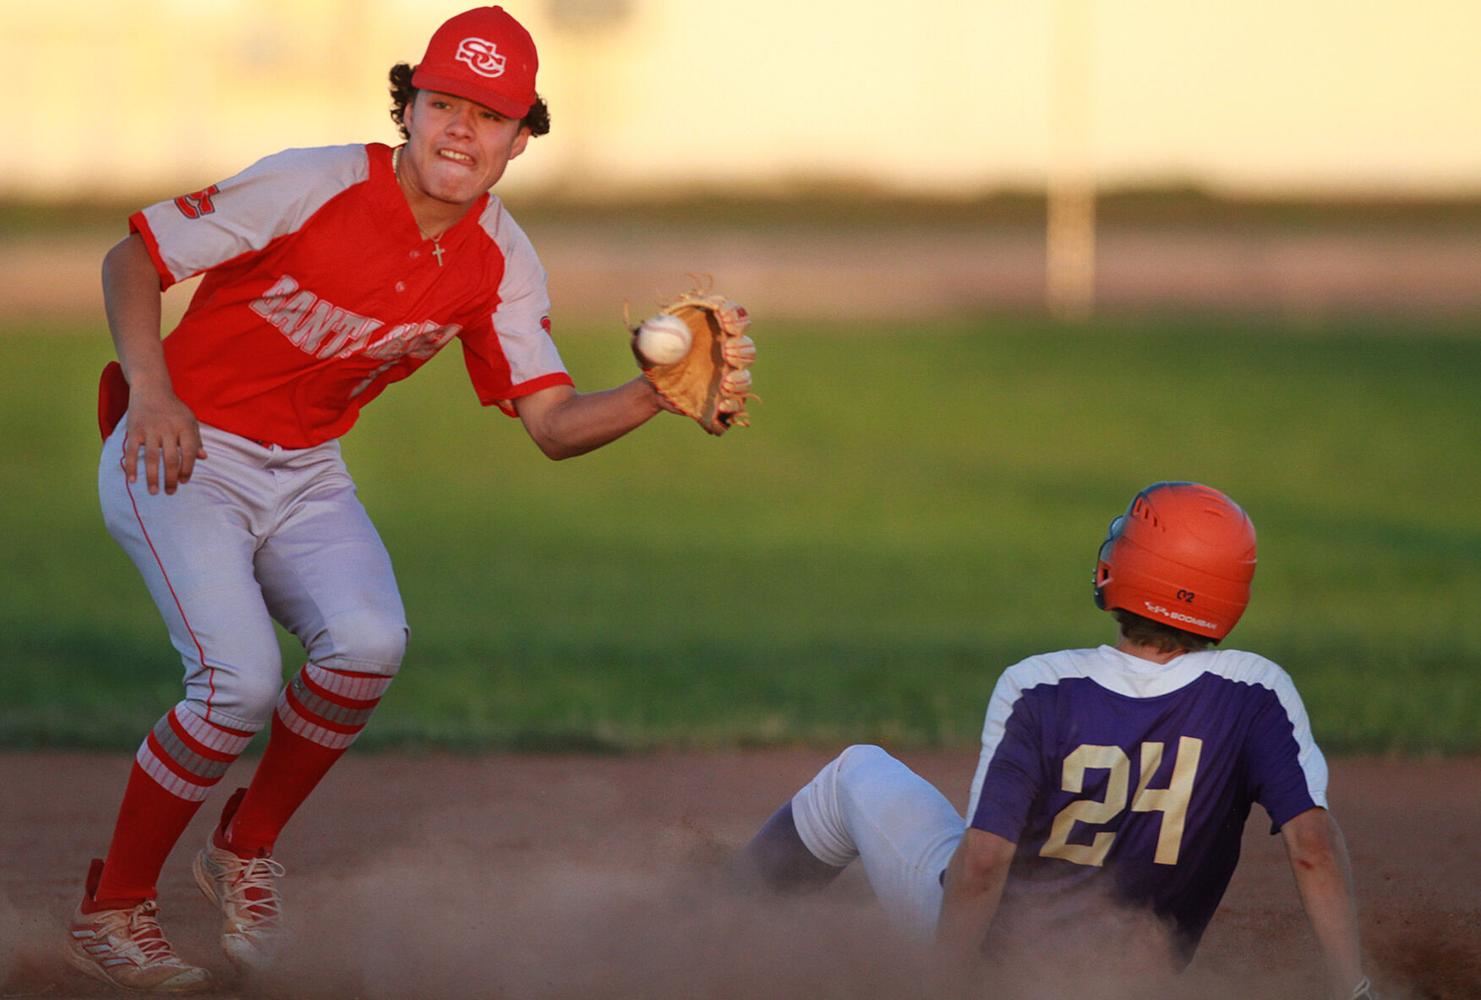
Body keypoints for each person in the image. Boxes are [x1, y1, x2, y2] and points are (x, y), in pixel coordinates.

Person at [64, 6, 754, 993]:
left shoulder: (500, 260)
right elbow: (132, 257)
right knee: (238, 681)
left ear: (521, 139)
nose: (460, 131)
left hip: (304, 470)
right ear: (408, 107)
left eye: (488, 115)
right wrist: (152, 389)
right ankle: (112, 908)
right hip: (181, 449)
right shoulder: (311, 182)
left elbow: (551, 425)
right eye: (443, 104)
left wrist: (653, 395)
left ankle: (243, 846)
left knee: (368, 643)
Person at [736, 482, 1377, 1000]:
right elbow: (1313, 849)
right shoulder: (1257, 693)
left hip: (1000, 971)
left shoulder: (1040, 685)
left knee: (855, 772)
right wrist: (1355, 990)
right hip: (1139, 979)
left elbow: (983, 863)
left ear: (1121, 569)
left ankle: (720, 912)